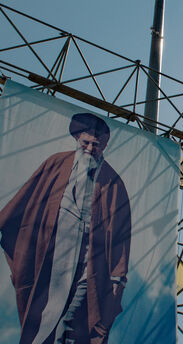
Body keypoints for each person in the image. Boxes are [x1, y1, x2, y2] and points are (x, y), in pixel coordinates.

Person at [0, 113, 131, 344]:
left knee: (76, 319)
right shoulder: (57, 163)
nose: (90, 148)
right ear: (78, 140)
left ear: (105, 146)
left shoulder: (113, 182)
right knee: (46, 315)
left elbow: (120, 234)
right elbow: (26, 198)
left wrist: (117, 277)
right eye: (86, 143)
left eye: (96, 145)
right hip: (54, 253)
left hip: (90, 262)